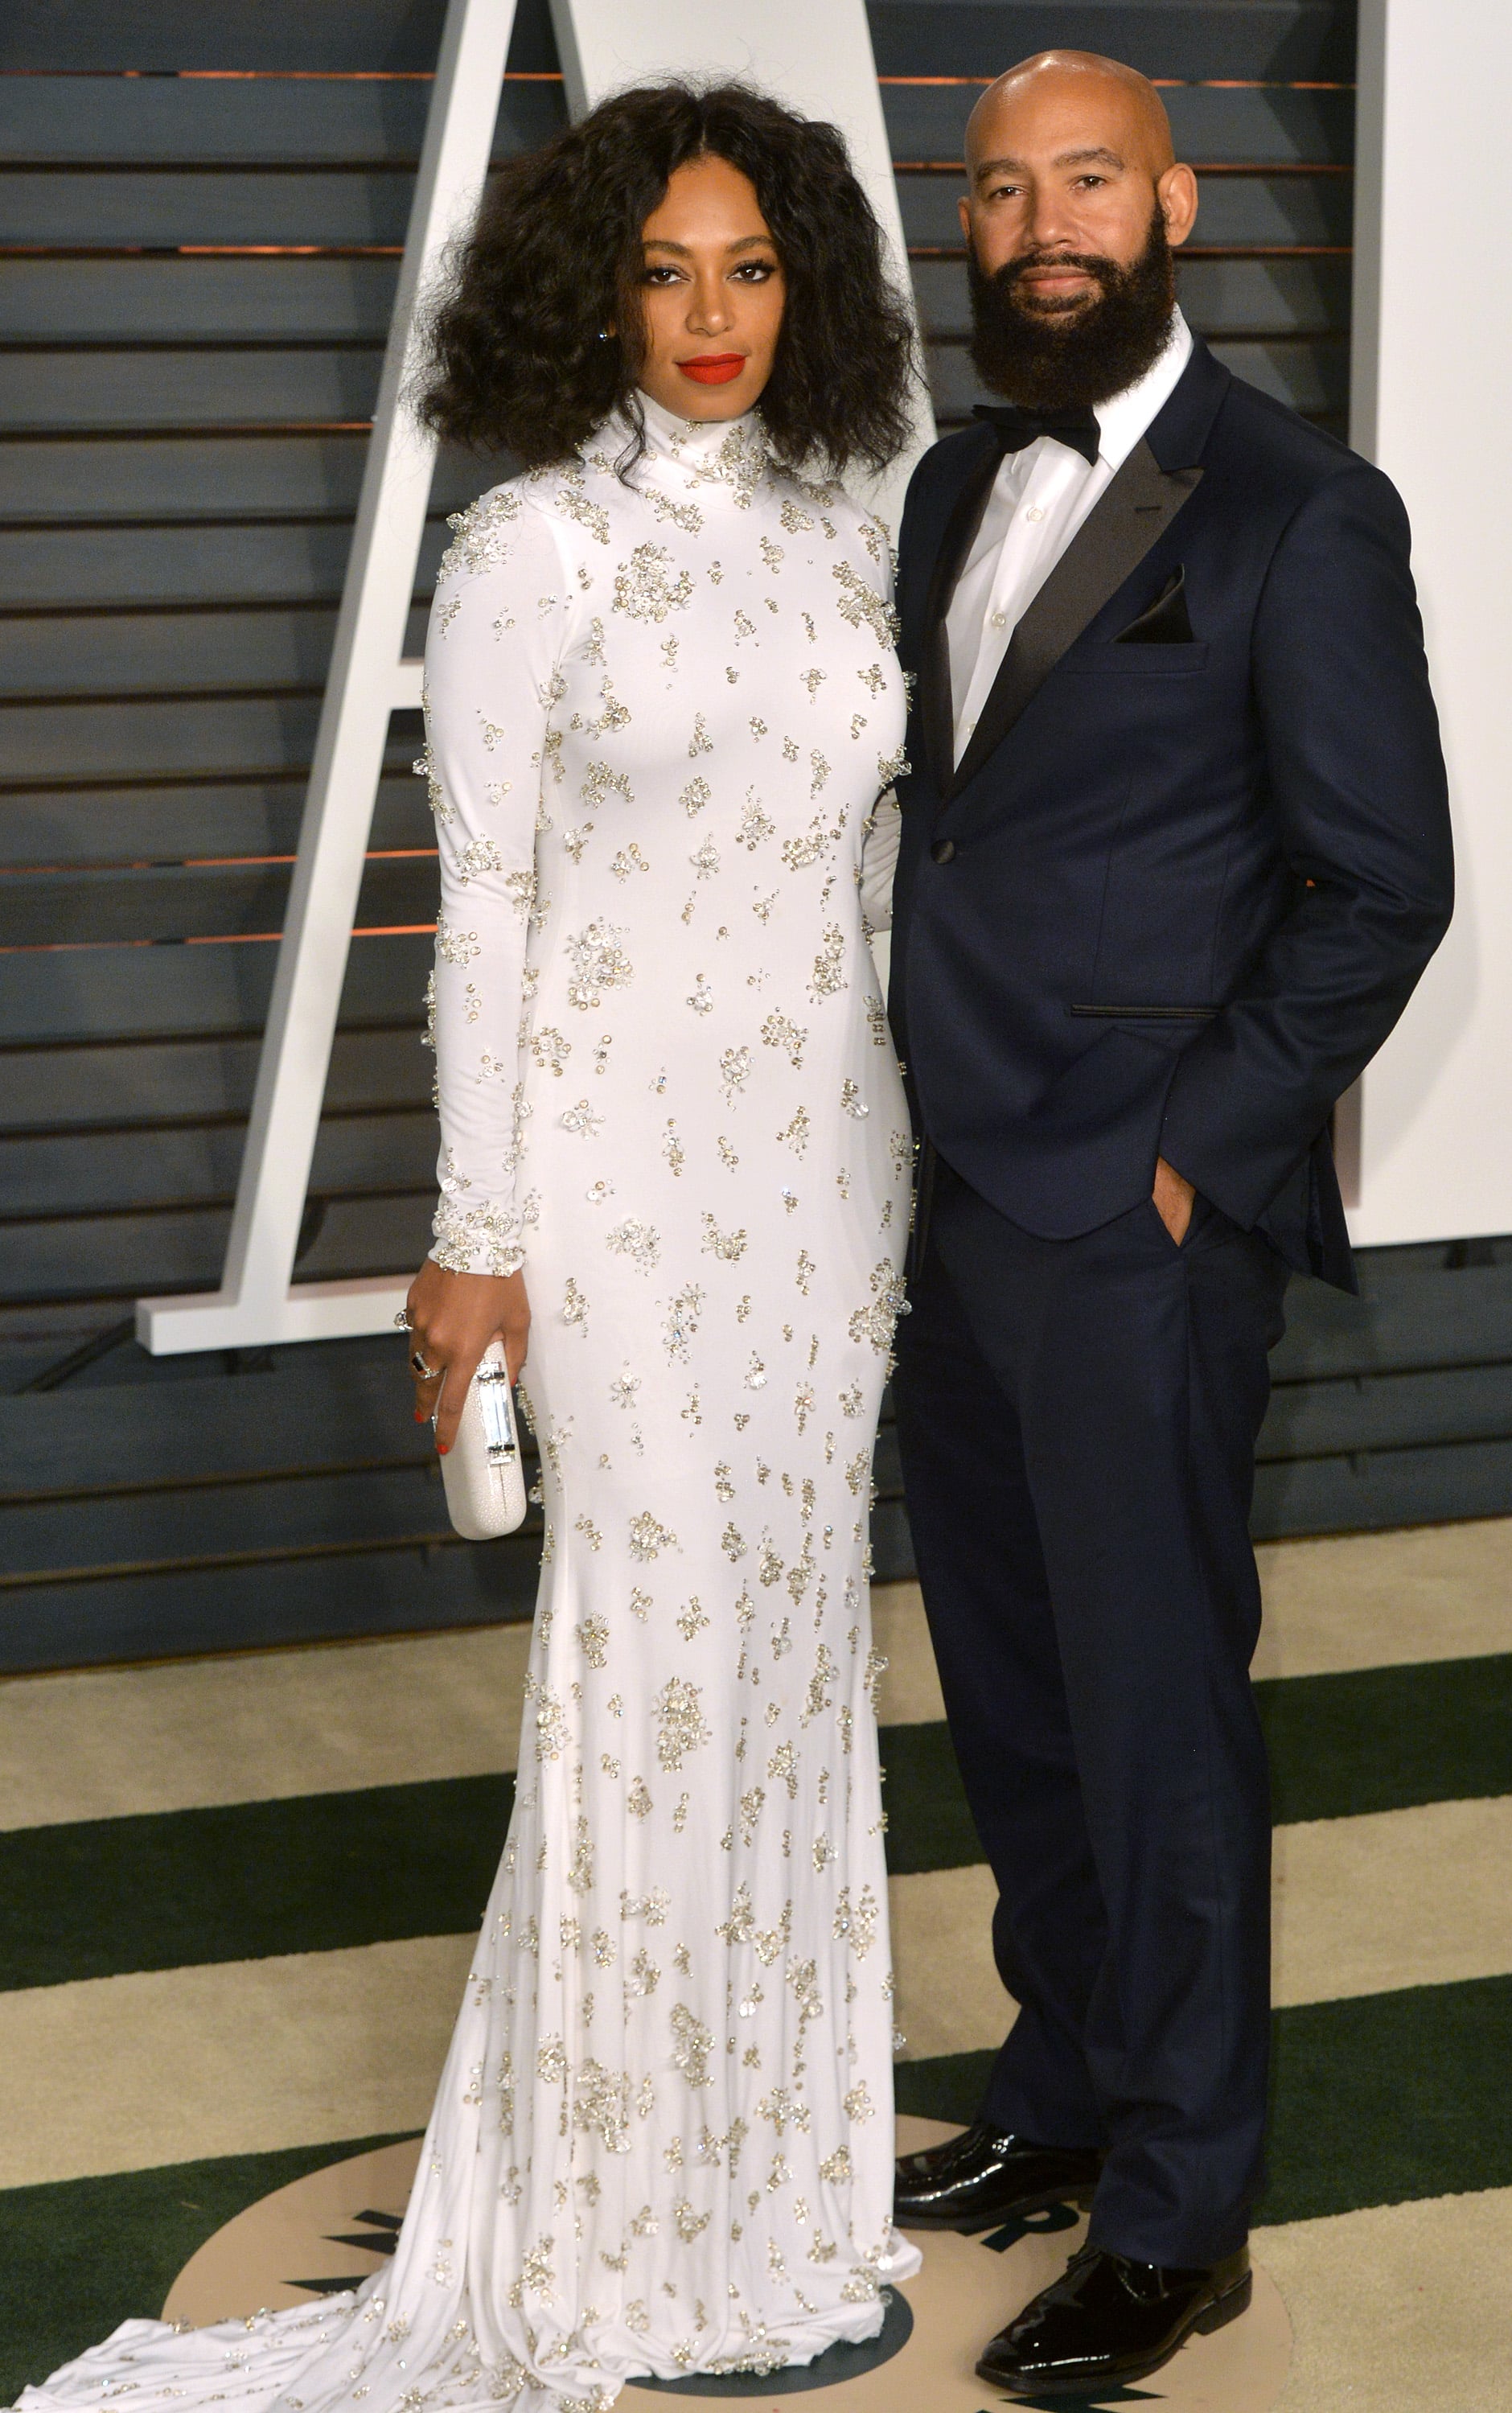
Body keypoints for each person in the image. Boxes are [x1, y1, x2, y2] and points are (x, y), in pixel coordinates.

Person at [15, 81, 920, 2413]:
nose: (712, 317)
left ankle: (775, 2201)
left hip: (832, 1197)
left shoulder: (861, 527)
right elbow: (486, 915)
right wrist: (479, 1239)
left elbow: (891, 882)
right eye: (662, 271)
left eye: (750, 269)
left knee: (800, 1679)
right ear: (588, 295)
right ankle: (614, 2239)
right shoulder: (524, 552)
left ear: (802, 286)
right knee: (646, 1678)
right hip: (615, 1213)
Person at [885, 48, 1452, 2399]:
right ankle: (1063, 2091)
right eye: (1006, 188)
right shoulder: (948, 483)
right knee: (1016, 1707)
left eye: (1087, 183)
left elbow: (1383, 881)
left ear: (1179, 204)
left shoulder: (1301, 509)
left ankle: (1184, 2207)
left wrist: (1192, 1147)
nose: (1042, 225)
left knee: (1152, 1722)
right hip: (949, 1194)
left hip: (1135, 1224)